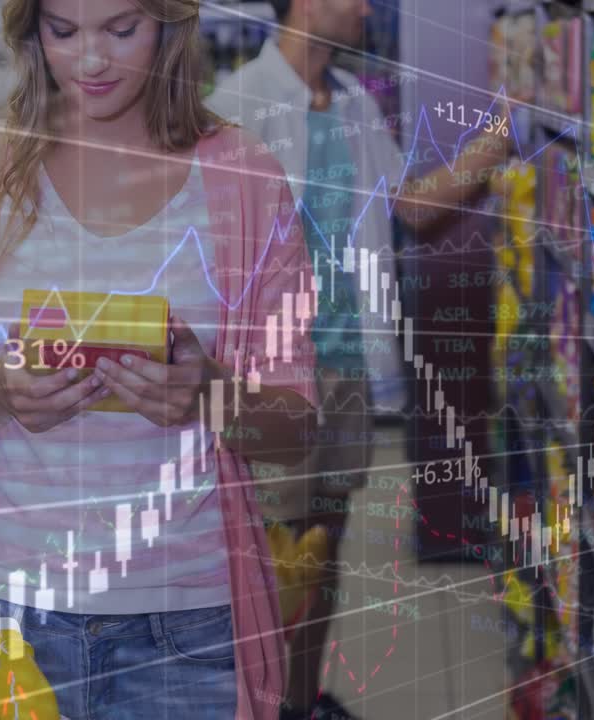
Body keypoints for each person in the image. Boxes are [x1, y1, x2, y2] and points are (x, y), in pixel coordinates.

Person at [0, 1, 323, 717]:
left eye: (122, 30)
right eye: (63, 31)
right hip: (12, 616)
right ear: (31, 30)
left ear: (170, 23)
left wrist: (208, 394)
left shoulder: (246, 178)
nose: (91, 61)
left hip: (191, 626)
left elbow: (298, 428)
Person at [206, 2, 509, 718]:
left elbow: (411, 209)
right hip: (268, 381)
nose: (367, 8)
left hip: (346, 373)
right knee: (268, 564)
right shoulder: (236, 105)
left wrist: (494, 145)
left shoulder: (354, 106)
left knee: (322, 556)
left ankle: (301, 701)